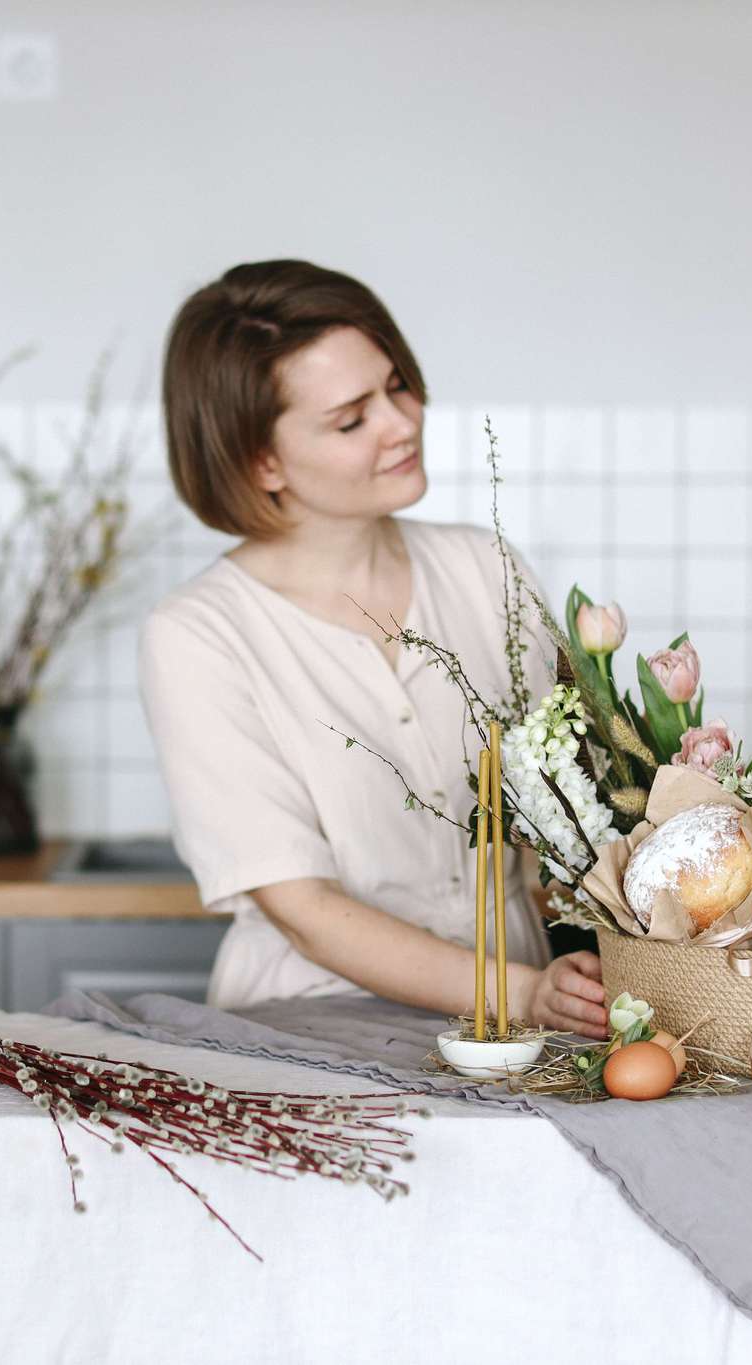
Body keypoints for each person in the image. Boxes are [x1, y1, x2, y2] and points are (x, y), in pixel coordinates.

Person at [138, 259, 609, 1038]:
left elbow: (574, 810)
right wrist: (520, 993)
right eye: (351, 419)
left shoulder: (486, 570)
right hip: (309, 1039)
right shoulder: (199, 635)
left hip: (522, 1037)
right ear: (262, 461)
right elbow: (306, 911)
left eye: (396, 386)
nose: (402, 422)